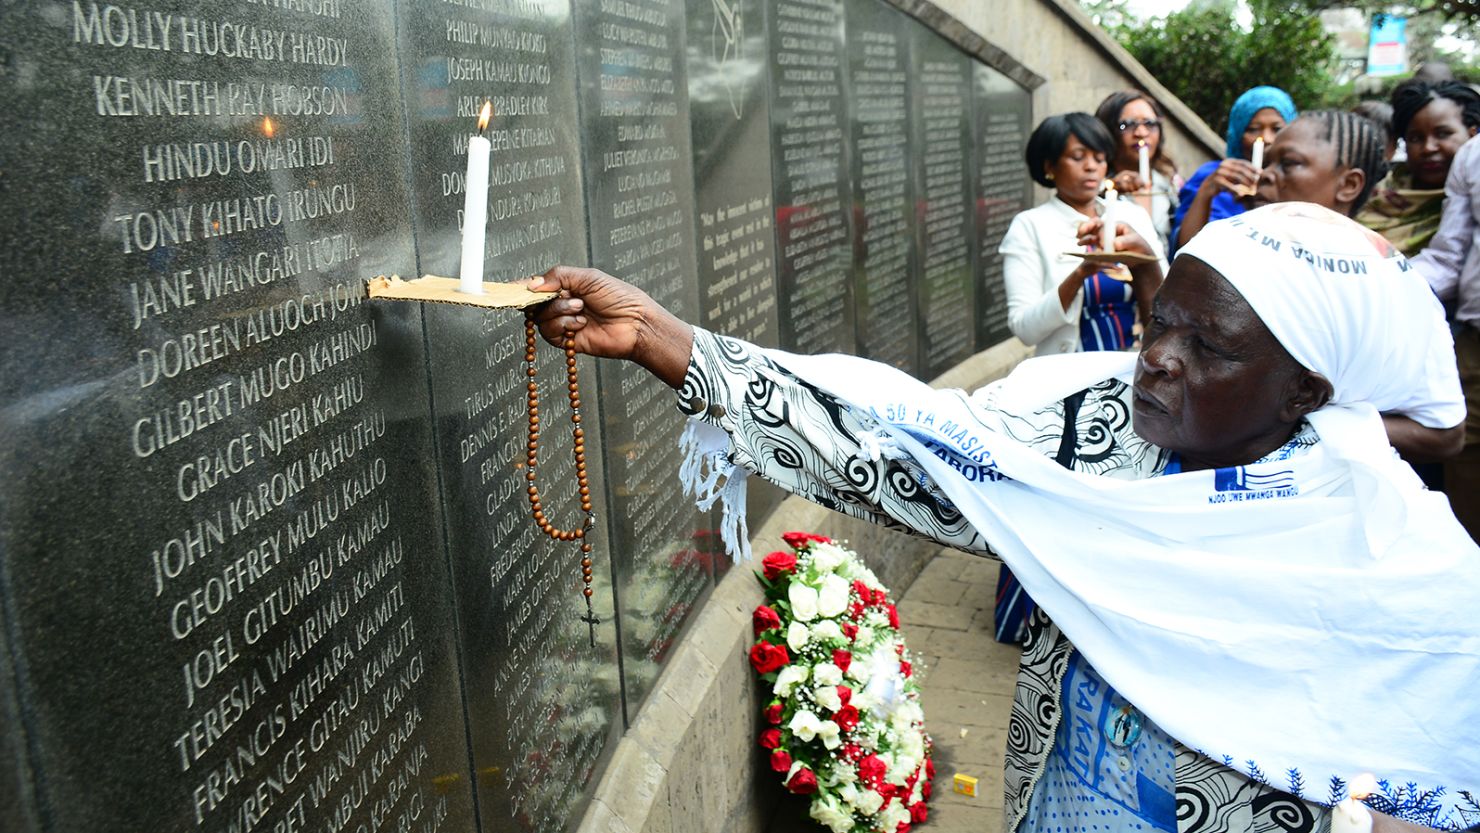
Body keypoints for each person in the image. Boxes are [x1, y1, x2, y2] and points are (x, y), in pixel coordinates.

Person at [527, 202, 1476, 832]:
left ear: (1304, 390)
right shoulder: (1097, 425)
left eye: (1210, 347)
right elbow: (905, 445)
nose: (1157, 359)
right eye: (1159, 324)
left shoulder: (1386, 553)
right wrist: (663, 338)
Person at [1252, 110, 1463, 463]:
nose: (1264, 176)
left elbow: (1444, 434)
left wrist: (1304, 423)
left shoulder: (1394, 287)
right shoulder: (1239, 262)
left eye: (1288, 164)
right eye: (1268, 162)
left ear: (1348, 185)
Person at [998, 113, 1166, 358]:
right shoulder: (1030, 225)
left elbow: (1171, 303)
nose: (1091, 167)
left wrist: (1141, 263)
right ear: (1049, 166)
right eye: (1078, 157)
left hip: (1133, 366)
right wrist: (1080, 274)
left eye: (1099, 158)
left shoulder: (1133, 217)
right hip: (1068, 376)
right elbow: (1025, 330)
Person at [1412, 135, 1480, 538]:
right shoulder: (1473, 156)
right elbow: (1447, 260)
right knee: (1466, 479)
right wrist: (1377, 278)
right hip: (1474, 352)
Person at [1358, 81, 1480, 256]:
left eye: (1443, 134)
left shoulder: (1471, 205)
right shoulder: (1370, 195)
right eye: (1416, 138)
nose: (1428, 147)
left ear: (1472, 135)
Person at [1171, 86, 1296, 252]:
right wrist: (1207, 191)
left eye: (1277, 129)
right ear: (1237, 134)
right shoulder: (1213, 176)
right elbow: (1185, 249)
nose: (1266, 138)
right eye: (1253, 129)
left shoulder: (1297, 184)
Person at [1096, 90, 1182, 251]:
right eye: (1127, 125)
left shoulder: (1170, 186)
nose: (1141, 133)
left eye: (1150, 124)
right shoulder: (1095, 187)